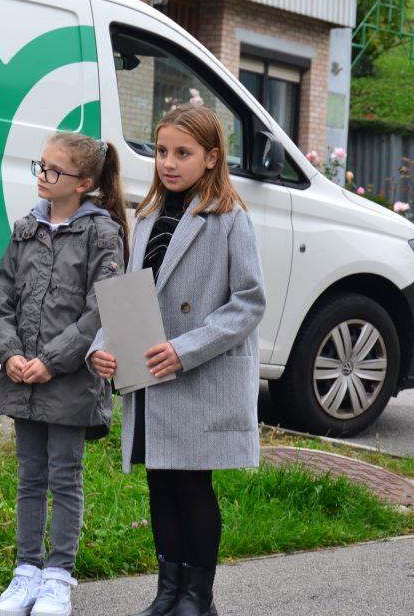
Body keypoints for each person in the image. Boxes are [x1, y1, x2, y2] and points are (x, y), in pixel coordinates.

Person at [87, 104, 266, 616]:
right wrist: (102, 346)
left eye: (182, 153)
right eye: (162, 151)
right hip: (149, 373)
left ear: (211, 157)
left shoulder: (230, 219)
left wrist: (184, 351)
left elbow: (249, 302)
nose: (168, 162)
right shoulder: (147, 216)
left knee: (191, 485)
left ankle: (197, 598)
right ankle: (168, 592)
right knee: (160, 483)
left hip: (197, 375)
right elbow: (130, 294)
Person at [0, 133, 128, 616]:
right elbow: (1, 299)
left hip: (70, 381)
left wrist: (52, 360)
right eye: (41, 165)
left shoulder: (102, 234)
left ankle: (58, 577)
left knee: (65, 477)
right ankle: (26, 570)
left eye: (53, 170)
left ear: (83, 183)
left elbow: (101, 309)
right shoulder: (26, 228)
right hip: (23, 378)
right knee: (30, 476)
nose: (42, 176)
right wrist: (10, 354)